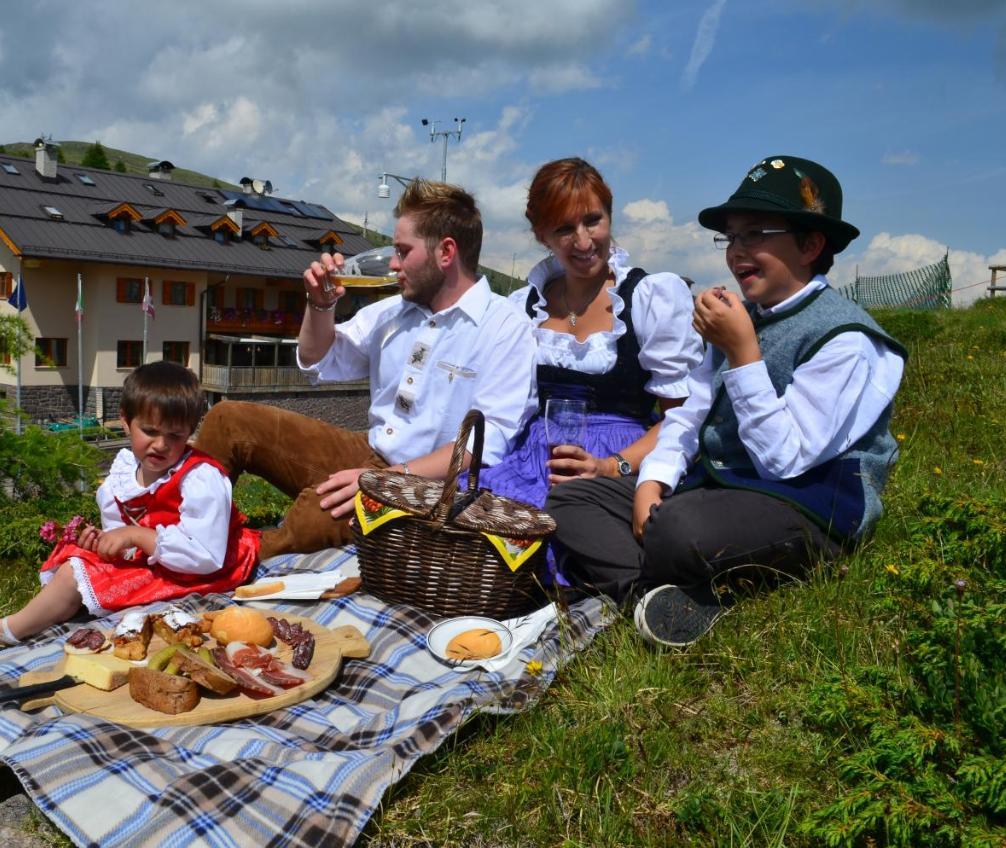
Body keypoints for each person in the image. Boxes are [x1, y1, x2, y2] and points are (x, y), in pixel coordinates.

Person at [546, 154, 906, 647]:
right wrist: (651, 480)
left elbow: (785, 461)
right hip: (721, 485)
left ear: (812, 243)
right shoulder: (739, 314)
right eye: (732, 237)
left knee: (677, 528)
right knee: (572, 498)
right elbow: (689, 415)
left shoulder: (847, 340)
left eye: (756, 234)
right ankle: (655, 600)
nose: (737, 251)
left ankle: (656, 585)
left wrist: (743, 352)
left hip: (811, 506)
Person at [192, 178, 538, 559]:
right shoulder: (393, 312)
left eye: (403, 252)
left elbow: (484, 447)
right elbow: (318, 360)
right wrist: (319, 305)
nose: (392, 263)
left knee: (309, 520)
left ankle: (218, 564)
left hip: (426, 485)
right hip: (368, 452)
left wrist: (380, 482)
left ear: (446, 252)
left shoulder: (505, 327)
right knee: (228, 419)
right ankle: (177, 532)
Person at [0, 361, 260, 651]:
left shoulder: (200, 478)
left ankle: (4, 632)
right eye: (149, 431)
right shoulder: (124, 471)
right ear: (125, 421)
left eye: (175, 436)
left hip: (203, 568)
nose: (161, 444)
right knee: (74, 561)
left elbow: (207, 555)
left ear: (190, 431)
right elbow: (122, 538)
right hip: (161, 559)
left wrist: (136, 536)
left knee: (76, 575)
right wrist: (109, 545)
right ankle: (42, 614)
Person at [473, 158, 702, 555]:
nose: (582, 241)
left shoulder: (650, 297)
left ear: (610, 217)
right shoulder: (521, 307)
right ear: (541, 234)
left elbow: (680, 417)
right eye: (564, 229)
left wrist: (612, 466)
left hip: (622, 455)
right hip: (534, 456)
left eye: (592, 221)